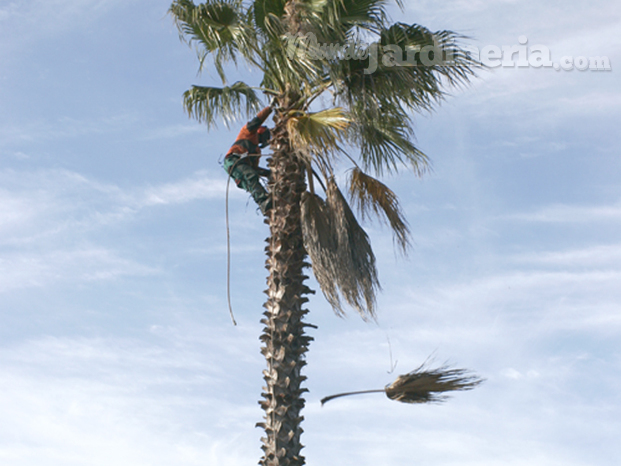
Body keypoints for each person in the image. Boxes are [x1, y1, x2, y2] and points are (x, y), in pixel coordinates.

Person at [223, 101, 276, 215]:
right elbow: (257, 120)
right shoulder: (248, 132)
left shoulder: (257, 151)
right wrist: (270, 108)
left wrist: (269, 173)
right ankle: (263, 201)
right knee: (251, 176)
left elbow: (254, 169)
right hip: (233, 160)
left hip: (238, 169)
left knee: (251, 180)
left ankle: (263, 204)